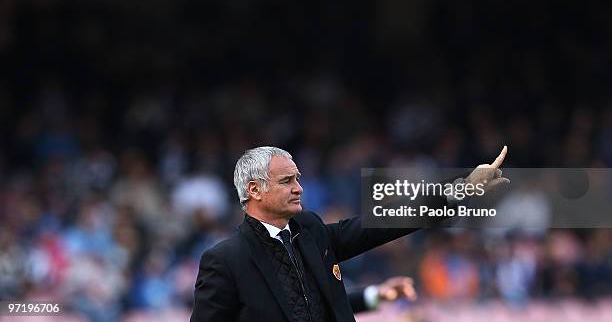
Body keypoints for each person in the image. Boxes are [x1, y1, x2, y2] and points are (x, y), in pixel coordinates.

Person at [190, 146, 509, 322]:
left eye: (298, 179)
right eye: (287, 181)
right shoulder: (225, 261)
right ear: (254, 190)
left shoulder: (311, 231)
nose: (299, 188)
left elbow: (379, 224)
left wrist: (461, 189)